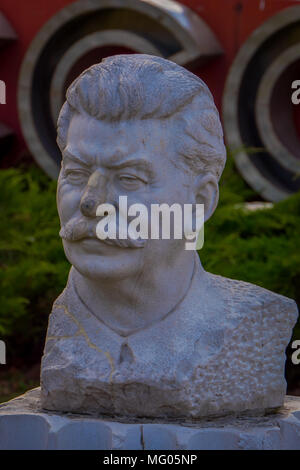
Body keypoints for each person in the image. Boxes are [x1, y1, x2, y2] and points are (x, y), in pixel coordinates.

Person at [41, 55, 298, 419]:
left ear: (200, 201)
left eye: (129, 179)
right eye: (77, 172)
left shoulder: (255, 321)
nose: (91, 203)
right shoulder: (64, 327)